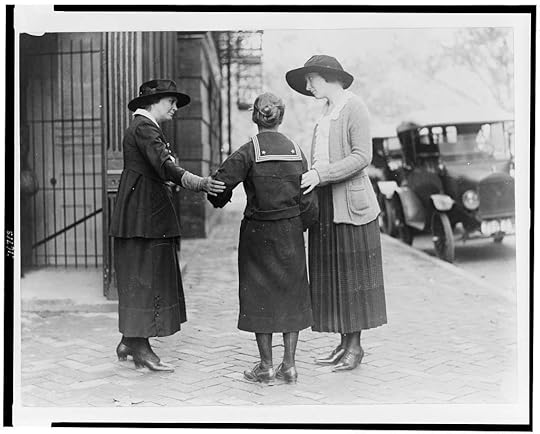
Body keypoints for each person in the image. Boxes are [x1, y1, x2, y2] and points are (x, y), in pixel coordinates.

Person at [109, 79, 225, 372]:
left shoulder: (144, 127)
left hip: (143, 213)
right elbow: (164, 166)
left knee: (142, 273)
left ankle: (129, 339)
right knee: (146, 276)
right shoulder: (145, 127)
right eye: (170, 101)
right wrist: (200, 183)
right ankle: (140, 346)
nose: (175, 107)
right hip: (143, 214)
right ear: (153, 103)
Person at [208, 92, 318, 384]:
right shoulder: (296, 150)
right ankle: (290, 366)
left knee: (260, 296)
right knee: (292, 294)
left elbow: (219, 184)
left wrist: (221, 200)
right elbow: (309, 199)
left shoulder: (248, 151)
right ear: (280, 117)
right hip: (290, 233)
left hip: (258, 234)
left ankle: (266, 366)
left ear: (255, 117)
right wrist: (299, 225)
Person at [286, 55, 387, 371]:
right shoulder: (327, 112)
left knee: (352, 277)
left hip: (351, 208)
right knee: (335, 278)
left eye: (310, 79)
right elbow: (320, 158)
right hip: (327, 205)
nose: (308, 86)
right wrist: (311, 175)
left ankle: (355, 348)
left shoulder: (353, 107)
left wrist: (321, 175)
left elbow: (362, 157)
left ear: (327, 77)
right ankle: (344, 343)